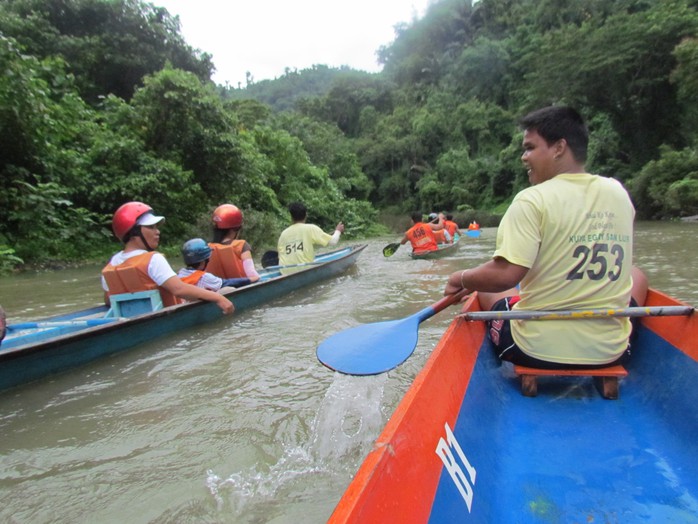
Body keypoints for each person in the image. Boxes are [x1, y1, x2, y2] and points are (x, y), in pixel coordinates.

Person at [444, 106, 648, 369]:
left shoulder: (532, 199)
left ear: (559, 147)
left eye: (530, 148)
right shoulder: (619, 193)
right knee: (637, 274)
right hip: (613, 352)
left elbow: (506, 276)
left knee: (484, 284)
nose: (524, 157)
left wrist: (461, 278)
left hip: (535, 350)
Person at [102, 202, 233, 315]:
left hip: (130, 318)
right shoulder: (153, 259)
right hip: (167, 313)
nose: (157, 231)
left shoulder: (111, 264)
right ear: (134, 233)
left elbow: (109, 300)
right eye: (151, 227)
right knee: (229, 291)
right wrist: (218, 298)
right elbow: (179, 289)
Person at [277, 202, 344, 266]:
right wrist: (338, 231)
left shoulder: (283, 234)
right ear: (306, 215)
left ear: (291, 217)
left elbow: (280, 255)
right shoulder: (311, 228)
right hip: (304, 268)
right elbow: (333, 241)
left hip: (284, 271)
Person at [207, 204, 260, 283]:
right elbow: (251, 274)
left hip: (218, 291)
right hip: (242, 287)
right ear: (236, 228)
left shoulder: (207, 248)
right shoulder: (241, 245)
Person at [178, 238, 252, 291]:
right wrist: (250, 279)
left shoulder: (180, 274)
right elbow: (228, 283)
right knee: (229, 289)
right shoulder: (205, 277)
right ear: (203, 262)